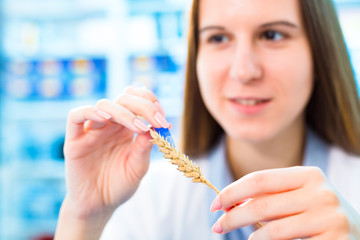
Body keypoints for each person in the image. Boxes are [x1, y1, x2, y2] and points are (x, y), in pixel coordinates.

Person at [55, 0, 360, 239]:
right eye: (218, 37)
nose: (243, 71)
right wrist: (82, 220)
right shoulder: (150, 200)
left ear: (320, 51)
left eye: (272, 35)